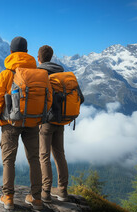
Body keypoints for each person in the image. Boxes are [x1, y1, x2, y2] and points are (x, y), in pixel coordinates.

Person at [0, 36, 43, 210]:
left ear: (10, 52)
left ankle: (8, 197)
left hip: (10, 123)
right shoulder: (39, 74)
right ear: (27, 53)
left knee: (8, 161)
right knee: (35, 159)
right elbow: (47, 99)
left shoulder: (6, 74)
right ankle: (37, 198)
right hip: (33, 122)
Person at [37, 45, 84, 202]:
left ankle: (45, 192)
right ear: (52, 57)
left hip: (46, 122)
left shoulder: (40, 74)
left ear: (39, 58)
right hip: (62, 120)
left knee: (44, 155)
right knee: (59, 154)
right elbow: (81, 98)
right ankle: (62, 190)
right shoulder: (64, 74)